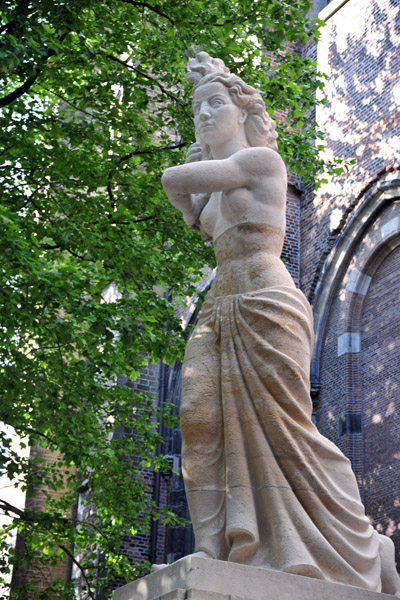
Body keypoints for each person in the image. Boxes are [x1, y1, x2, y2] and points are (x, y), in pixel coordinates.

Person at [161, 52, 400, 595]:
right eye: (195, 109)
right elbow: (193, 210)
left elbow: (173, 179)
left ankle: (365, 544)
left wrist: (191, 178)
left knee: (287, 427)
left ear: (244, 113)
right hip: (219, 305)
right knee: (199, 423)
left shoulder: (262, 164)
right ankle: (212, 546)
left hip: (266, 302)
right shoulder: (218, 188)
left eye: (214, 105)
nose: (201, 116)